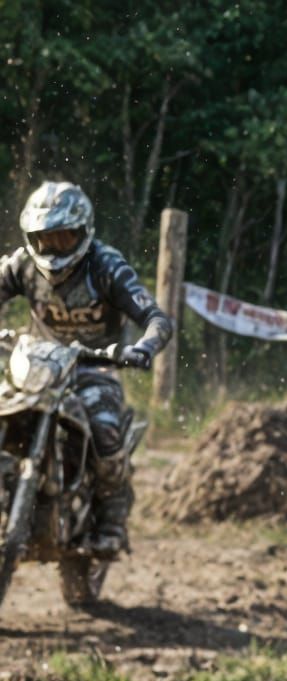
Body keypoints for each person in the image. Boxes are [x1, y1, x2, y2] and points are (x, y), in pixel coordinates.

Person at [0, 181, 173, 555]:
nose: (53, 247)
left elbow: (156, 317)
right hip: (37, 365)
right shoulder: (22, 265)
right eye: (45, 239)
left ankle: (111, 518)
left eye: (64, 238)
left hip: (96, 367)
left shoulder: (106, 265)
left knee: (105, 431)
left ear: (83, 232)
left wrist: (143, 347)